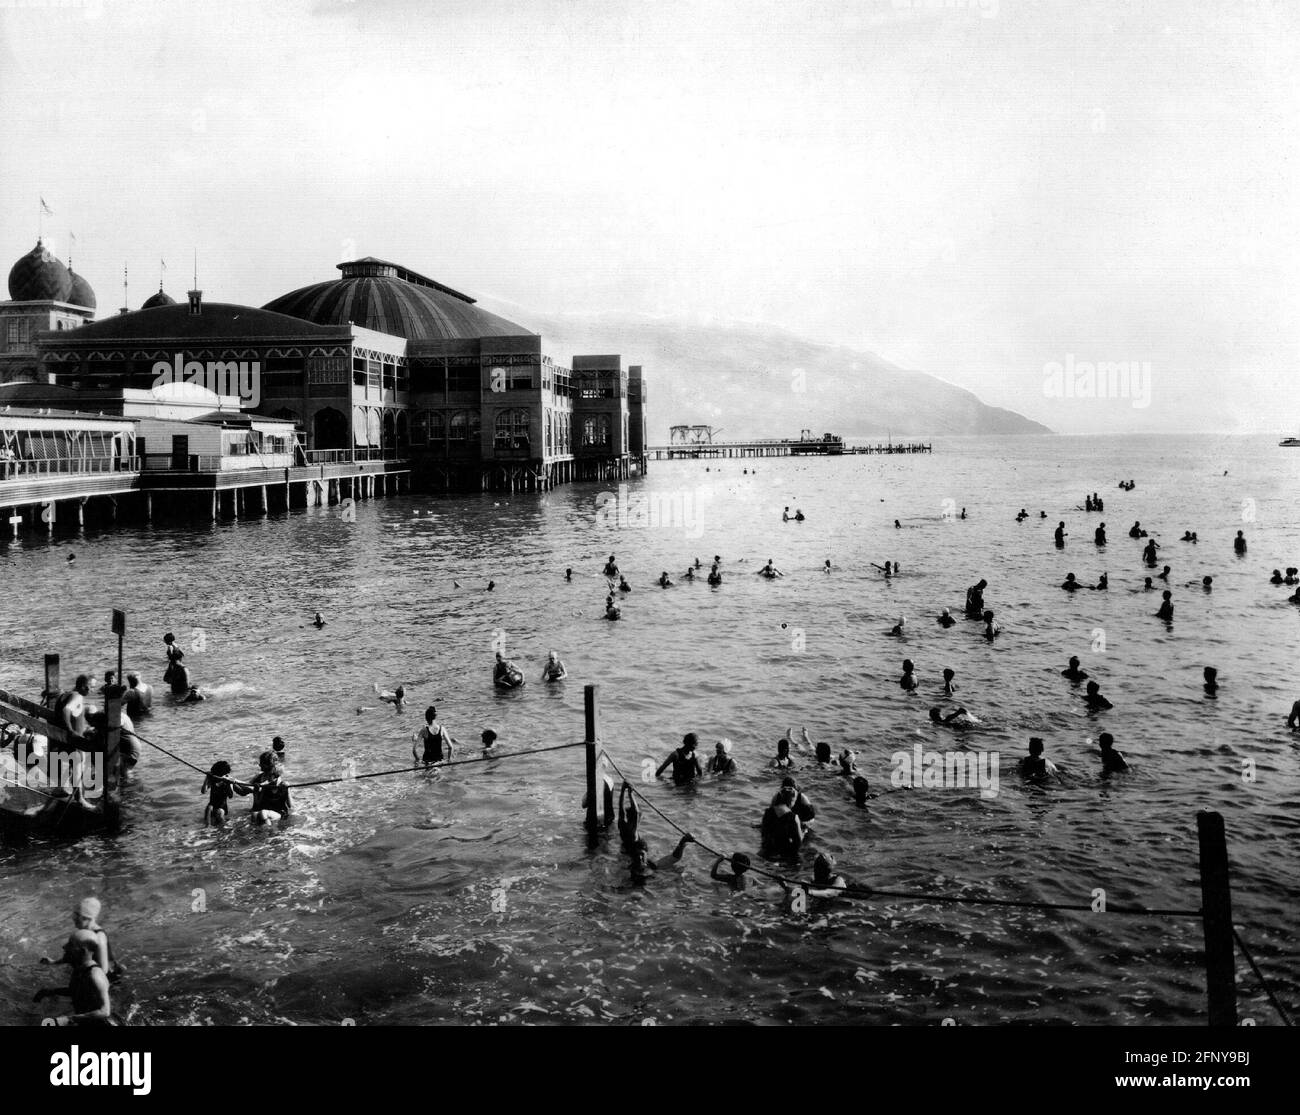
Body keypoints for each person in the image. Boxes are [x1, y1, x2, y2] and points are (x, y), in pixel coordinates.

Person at [34, 929, 115, 1027]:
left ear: (82, 951)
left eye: (70, 945)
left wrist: (69, 1019)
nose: (64, 947)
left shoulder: (95, 975)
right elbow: (77, 991)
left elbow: (105, 1011)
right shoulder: (80, 968)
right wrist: (51, 991)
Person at [40, 897, 123, 984]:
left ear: (88, 918)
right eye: (74, 915)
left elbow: (104, 970)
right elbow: (73, 953)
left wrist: (84, 977)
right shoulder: (84, 931)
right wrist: (54, 962)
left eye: (77, 917)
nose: (74, 919)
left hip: (107, 980)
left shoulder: (99, 937)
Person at [629, 833, 695, 885]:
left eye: (642, 855)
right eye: (637, 855)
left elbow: (674, 858)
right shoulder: (629, 869)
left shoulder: (653, 866)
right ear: (632, 856)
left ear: (646, 854)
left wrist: (683, 841)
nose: (640, 858)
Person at [247, 750, 292, 824]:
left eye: (261, 763)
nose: (259, 765)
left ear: (268, 765)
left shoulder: (282, 783)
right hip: (263, 811)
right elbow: (256, 804)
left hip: (279, 812)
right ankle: (260, 833)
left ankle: (270, 833)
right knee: (255, 814)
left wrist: (287, 791)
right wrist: (233, 781)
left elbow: (291, 807)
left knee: (263, 813)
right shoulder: (259, 778)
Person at [202, 760, 238, 824]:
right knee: (209, 808)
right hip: (212, 805)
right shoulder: (213, 779)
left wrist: (228, 784)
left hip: (222, 807)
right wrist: (206, 778)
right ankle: (208, 828)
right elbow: (203, 791)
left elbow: (230, 796)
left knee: (219, 812)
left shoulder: (229, 779)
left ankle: (223, 826)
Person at [617, 782, 640, 849]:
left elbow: (621, 806)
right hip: (633, 851)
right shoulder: (632, 829)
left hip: (624, 849)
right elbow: (636, 812)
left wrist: (623, 789)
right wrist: (630, 793)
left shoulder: (622, 825)